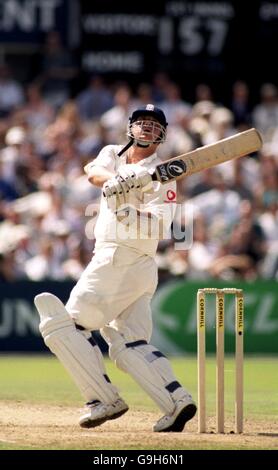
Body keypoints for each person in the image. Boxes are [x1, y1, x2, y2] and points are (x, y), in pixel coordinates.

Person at [34, 104, 197, 432]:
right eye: (142, 122)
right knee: (128, 342)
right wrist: (119, 180)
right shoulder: (114, 152)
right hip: (129, 268)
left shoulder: (165, 175)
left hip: (122, 258)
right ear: (130, 128)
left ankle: (102, 399)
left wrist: (127, 210)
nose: (147, 128)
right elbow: (94, 173)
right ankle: (176, 401)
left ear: (162, 134)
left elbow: (159, 227)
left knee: (64, 326)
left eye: (154, 124)